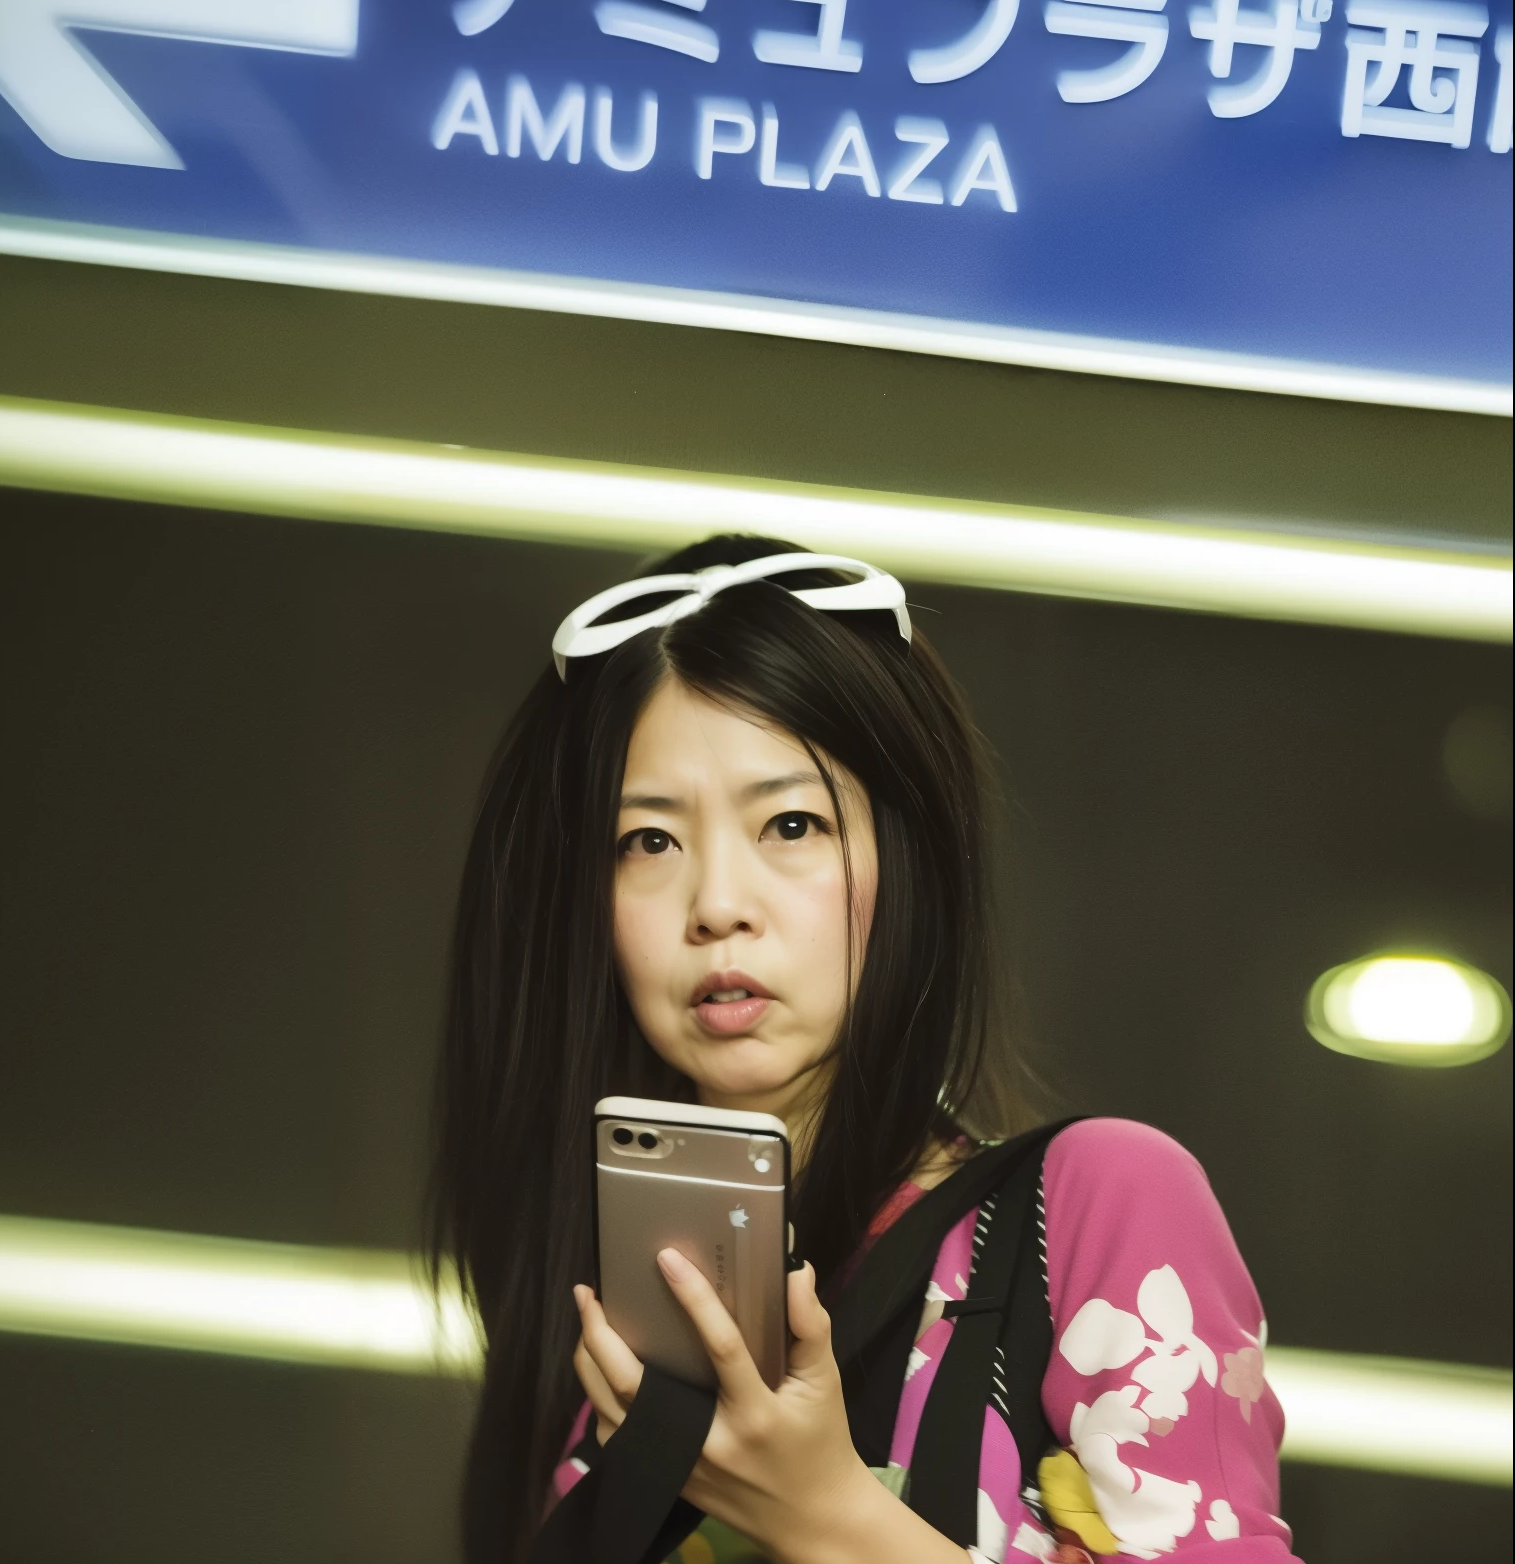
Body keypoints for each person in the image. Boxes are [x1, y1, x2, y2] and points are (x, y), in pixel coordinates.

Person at [429, 536, 1298, 1564]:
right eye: (648, 840)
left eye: (792, 822)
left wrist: (825, 1514)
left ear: (908, 853)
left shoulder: (1093, 1205)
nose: (717, 904)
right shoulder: (603, 1340)